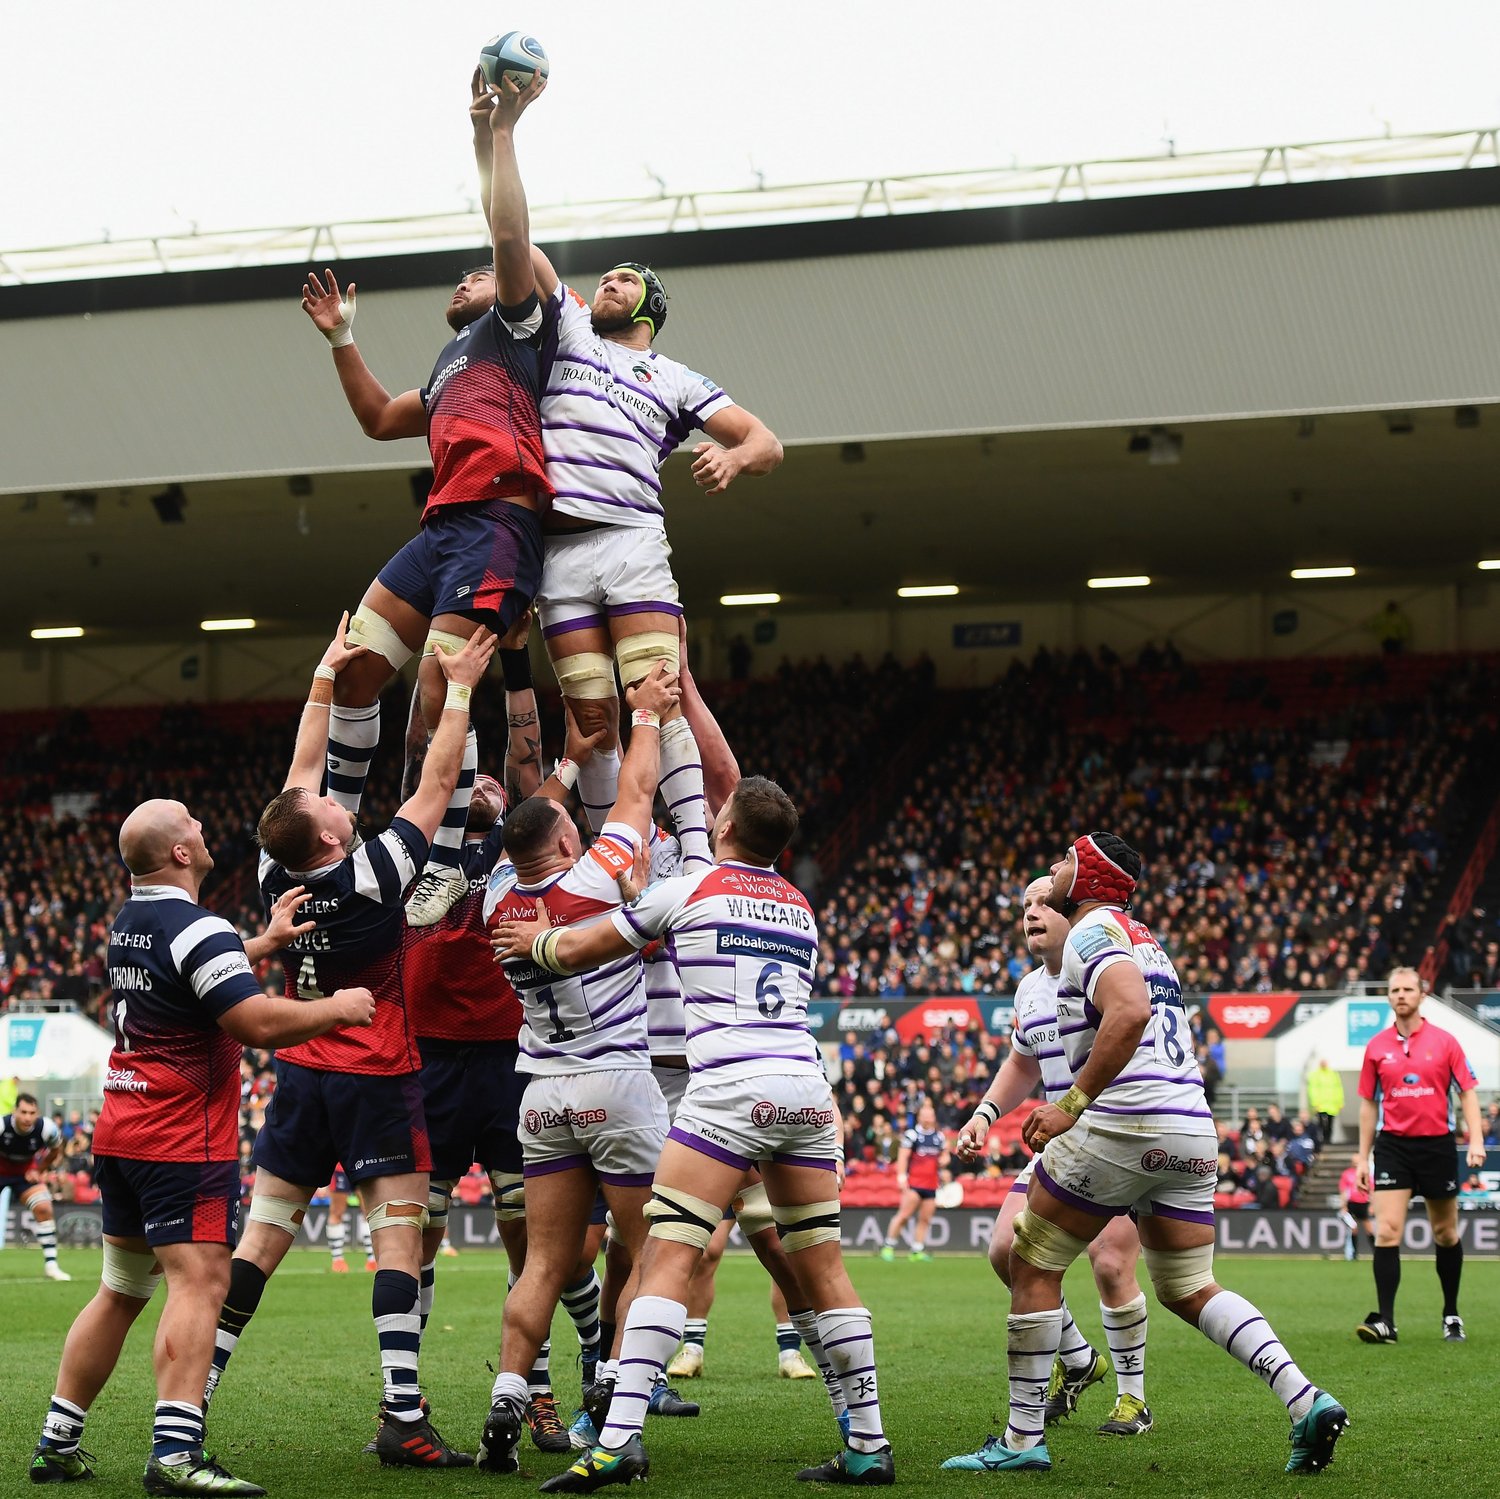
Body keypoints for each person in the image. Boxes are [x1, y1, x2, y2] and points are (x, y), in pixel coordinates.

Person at [493, 774, 893, 1491]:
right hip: (805, 1092)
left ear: (729, 825)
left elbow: (587, 948)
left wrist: (539, 938)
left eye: (720, 809)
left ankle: (617, 1444)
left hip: (727, 1091)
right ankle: (868, 1443)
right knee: (824, 1267)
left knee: (668, 1256)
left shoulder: (692, 888)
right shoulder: (801, 907)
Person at [944, 833, 1346, 1477]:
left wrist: (1070, 1104)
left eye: (1067, 860)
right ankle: (1304, 1399)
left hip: (1123, 1122)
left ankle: (1021, 1442)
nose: (1054, 869)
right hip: (1189, 1125)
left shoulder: (1092, 931)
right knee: (1189, 1286)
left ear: (1093, 877)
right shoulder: (1143, 938)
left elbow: (1127, 1012)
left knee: (1029, 1263)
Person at [204, 619, 495, 1468]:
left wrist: (325, 678)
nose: (337, 797)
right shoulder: (374, 872)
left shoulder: (274, 873)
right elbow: (440, 777)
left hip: (300, 1074)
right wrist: (464, 686)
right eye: (333, 806)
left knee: (260, 1241)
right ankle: (403, 1412)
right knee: (396, 1237)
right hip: (376, 1066)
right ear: (329, 836)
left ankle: (198, 1393)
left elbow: (300, 774)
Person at [30, 798, 374, 1492]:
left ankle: (58, 1438)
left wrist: (261, 945)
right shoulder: (198, 927)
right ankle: (177, 1451)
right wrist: (337, 1008)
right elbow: (252, 1021)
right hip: (181, 1135)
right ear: (181, 853)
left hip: (123, 1128)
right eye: (190, 819)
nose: (200, 822)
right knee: (202, 1280)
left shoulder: (131, 921)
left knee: (121, 1289)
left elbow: (190, 970)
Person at [477, 79, 782, 836]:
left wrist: (734, 459)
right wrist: (495, 138)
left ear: (647, 307)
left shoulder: (676, 376)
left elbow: (766, 440)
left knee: (659, 695)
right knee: (591, 715)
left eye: (623, 280)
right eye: (604, 277)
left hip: (632, 540)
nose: (605, 282)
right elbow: (513, 237)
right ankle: (622, 845)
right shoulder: (571, 326)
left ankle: (688, 850)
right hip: (561, 551)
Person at [298, 71, 553, 926]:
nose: (467, 279)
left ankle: (441, 862)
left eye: (479, 274)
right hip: (442, 530)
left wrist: (498, 136)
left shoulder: (520, 325)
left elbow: (509, 227)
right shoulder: (448, 368)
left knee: (448, 680)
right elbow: (376, 418)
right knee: (353, 666)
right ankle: (328, 822)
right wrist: (342, 338)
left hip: (500, 520)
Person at [399, 638, 607, 1456]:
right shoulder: (417, 841)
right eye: (469, 775)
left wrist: (518, 666)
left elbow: (534, 767)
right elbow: (428, 740)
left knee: (535, 1240)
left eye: (494, 781)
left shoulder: (514, 849)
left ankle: (550, 1386)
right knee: (419, 1233)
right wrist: (453, 679)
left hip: (510, 1062)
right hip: (427, 1063)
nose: (485, 782)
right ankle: (404, 1402)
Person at [473, 662, 680, 1475]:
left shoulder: (497, 899)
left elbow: (521, 833)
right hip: (618, 1084)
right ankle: (613, 1405)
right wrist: (646, 716)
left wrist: (560, 764)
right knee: (651, 1247)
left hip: (542, 1092)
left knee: (546, 1264)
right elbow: (634, 794)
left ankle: (508, 1396)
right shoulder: (593, 879)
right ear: (566, 841)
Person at [954, 876, 1153, 1440]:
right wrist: (984, 1114)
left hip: (1115, 1134)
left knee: (1111, 1263)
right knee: (1004, 1251)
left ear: (1074, 912)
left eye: (1045, 903)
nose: (1033, 913)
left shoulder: (1106, 969)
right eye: (1025, 906)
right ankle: (1081, 1358)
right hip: (1057, 1141)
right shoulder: (1027, 990)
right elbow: (1023, 1063)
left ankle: (1133, 1399)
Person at [1353, 966, 1485, 1344]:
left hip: (1437, 1145)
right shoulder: (1376, 1047)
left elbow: (1467, 1092)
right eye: (1394, 989)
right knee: (1387, 1231)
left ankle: (1451, 1314)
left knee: (1445, 1233)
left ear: (1422, 995)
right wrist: (1363, 1158)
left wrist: (1475, 1139)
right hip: (1393, 1145)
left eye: (1408, 989)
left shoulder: (1446, 1042)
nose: (1401, 995)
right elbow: (1366, 1105)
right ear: (1389, 996)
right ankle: (1386, 1323)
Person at [1, 1092, 69, 1280]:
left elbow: (56, 1149)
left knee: (44, 1207)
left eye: (32, 1113)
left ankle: (51, 1266)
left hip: (24, 1174)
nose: (27, 1117)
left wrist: (39, 1170)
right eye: (23, 1112)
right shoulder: (1, 1125)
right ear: (14, 1112)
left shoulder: (47, 1128)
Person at [879, 1101, 949, 1261]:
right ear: (919, 1117)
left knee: (925, 1218)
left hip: (931, 1184)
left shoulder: (939, 1136)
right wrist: (901, 1176)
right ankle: (889, 1246)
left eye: (930, 1115)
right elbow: (903, 1156)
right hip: (914, 1183)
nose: (928, 1118)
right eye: (925, 1115)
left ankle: (917, 1249)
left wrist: (945, 1159)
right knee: (904, 1215)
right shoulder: (912, 1135)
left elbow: (945, 1154)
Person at [1338, 1153, 1375, 1261]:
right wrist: (1343, 1205)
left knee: (1369, 1229)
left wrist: (1372, 1205)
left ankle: (1375, 1252)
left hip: (1363, 1203)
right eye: (1354, 1161)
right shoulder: (1346, 1174)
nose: (1355, 1163)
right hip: (1352, 1203)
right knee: (1353, 1228)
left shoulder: (1365, 1173)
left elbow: (1372, 1190)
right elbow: (1343, 1191)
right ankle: (1353, 1253)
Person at [1306, 1058, 1344, 1145]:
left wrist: (1340, 1102)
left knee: (1330, 1124)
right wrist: (1314, 1103)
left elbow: (1338, 1089)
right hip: (1321, 1104)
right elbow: (1312, 1090)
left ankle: (1328, 1139)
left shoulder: (1333, 1074)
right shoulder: (1315, 1075)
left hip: (1331, 1104)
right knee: (1321, 1124)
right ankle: (1322, 1139)